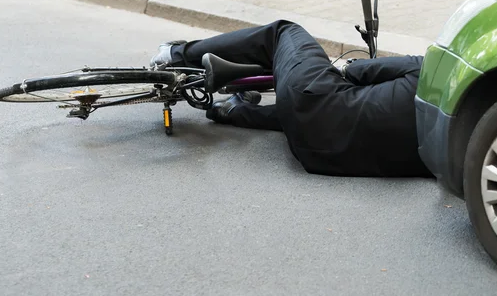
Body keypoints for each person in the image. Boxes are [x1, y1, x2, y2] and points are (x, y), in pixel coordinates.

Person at [150, 20, 431, 178]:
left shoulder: (428, 71)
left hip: (312, 99)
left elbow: (358, 71)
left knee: (284, 33)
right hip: (318, 157)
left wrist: (336, 67)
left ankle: (176, 54)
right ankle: (230, 112)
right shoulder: (456, 145)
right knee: (338, 118)